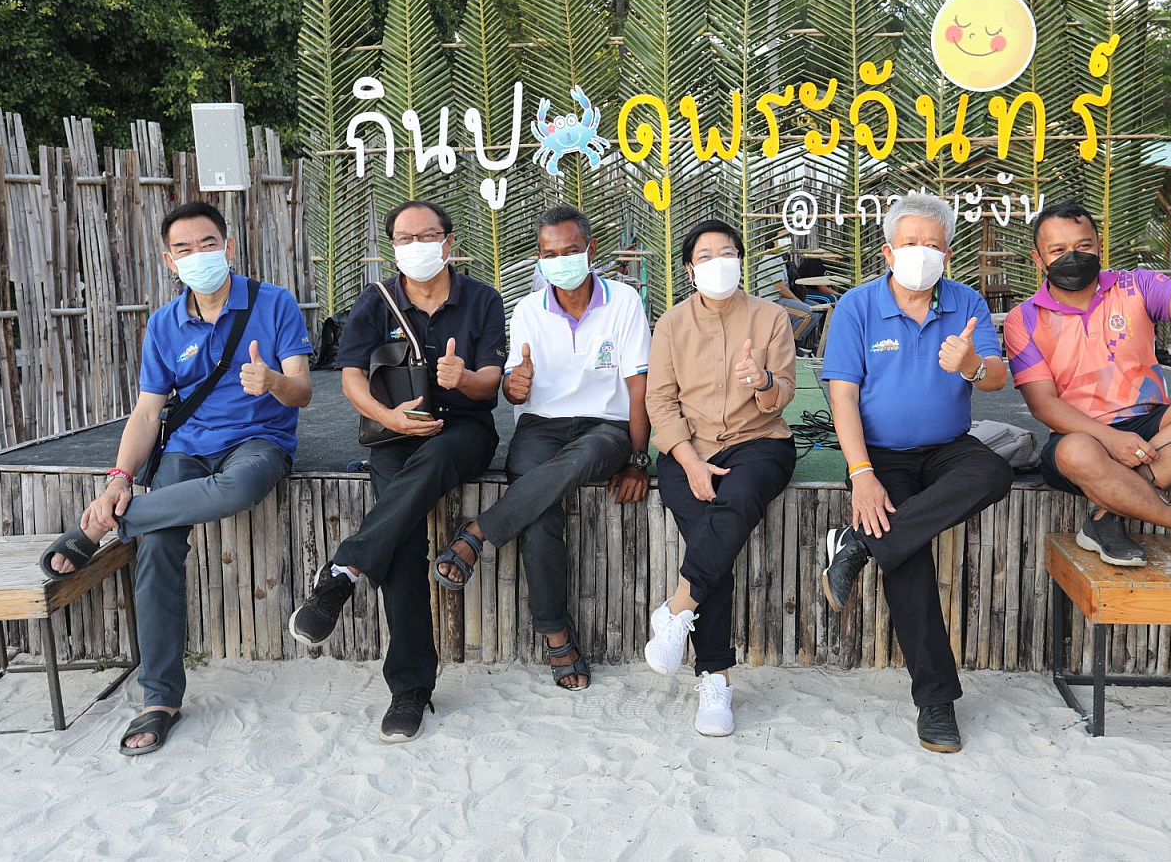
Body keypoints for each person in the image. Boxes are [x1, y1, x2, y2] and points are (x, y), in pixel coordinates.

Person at [40, 200, 313, 756]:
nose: (197, 255)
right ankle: (160, 698)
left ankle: (107, 525)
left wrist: (272, 383)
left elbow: (303, 391)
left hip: (259, 442)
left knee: (239, 488)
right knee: (157, 545)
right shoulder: (164, 323)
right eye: (183, 248)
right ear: (170, 260)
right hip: (186, 448)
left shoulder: (274, 303)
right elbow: (147, 413)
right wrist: (120, 478)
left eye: (207, 243)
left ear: (228, 247)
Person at [288, 200, 506, 743]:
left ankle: (344, 569)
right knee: (403, 546)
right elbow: (351, 379)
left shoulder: (482, 299)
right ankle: (410, 689)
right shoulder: (375, 300)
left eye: (427, 236)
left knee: (436, 456)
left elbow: (492, 382)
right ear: (393, 248)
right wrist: (389, 418)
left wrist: (462, 379)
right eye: (405, 238)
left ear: (449, 242)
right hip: (391, 433)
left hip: (464, 431)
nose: (417, 246)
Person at [818, 192, 1013, 754]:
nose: (921, 253)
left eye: (932, 245)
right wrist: (861, 473)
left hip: (948, 447)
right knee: (907, 561)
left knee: (993, 474)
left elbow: (997, 375)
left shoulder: (966, 301)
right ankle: (936, 700)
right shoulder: (857, 306)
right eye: (910, 243)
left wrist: (971, 366)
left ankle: (858, 544)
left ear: (947, 254)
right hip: (880, 455)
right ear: (887, 251)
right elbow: (842, 395)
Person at [431, 206, 652, 690]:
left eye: (571, 250)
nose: (561, 260)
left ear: (591, 250)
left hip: (606, 426)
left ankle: (480, 531)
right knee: (538, 508)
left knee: (585, 457)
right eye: (550, 254)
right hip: (541, 426)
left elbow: (639, 389)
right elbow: (515, 389)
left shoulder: (624, 302)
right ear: (539, 257)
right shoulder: (528, 309)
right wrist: (516, 387)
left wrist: (638, 460)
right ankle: (557, 634)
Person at [1003, 203, 1171, 573]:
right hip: (1079, 436)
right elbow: (1043, 404)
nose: (1073, 256)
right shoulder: (1023, 319)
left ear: (1099, 246)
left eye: (1084, 245)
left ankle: (1105, 517)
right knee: (1076, 451)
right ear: (1039, 259)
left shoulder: (1136, 286)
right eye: (1058, 250)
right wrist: (1111, 439)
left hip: (1150, 430)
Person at [644, 218, 797, 737]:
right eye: (705, 256)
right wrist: (690, 461)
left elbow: (782, 395)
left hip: (759, 443)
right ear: (690, 270)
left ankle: (677, 609)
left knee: (735, 504)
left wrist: (763, 381)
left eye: (727, 253)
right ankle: (716, 678)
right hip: (688, 447)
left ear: (741, 261)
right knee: (714, 544)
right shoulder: (671, 324)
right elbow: (660, 401)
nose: (718, 263)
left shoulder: (771, 317)